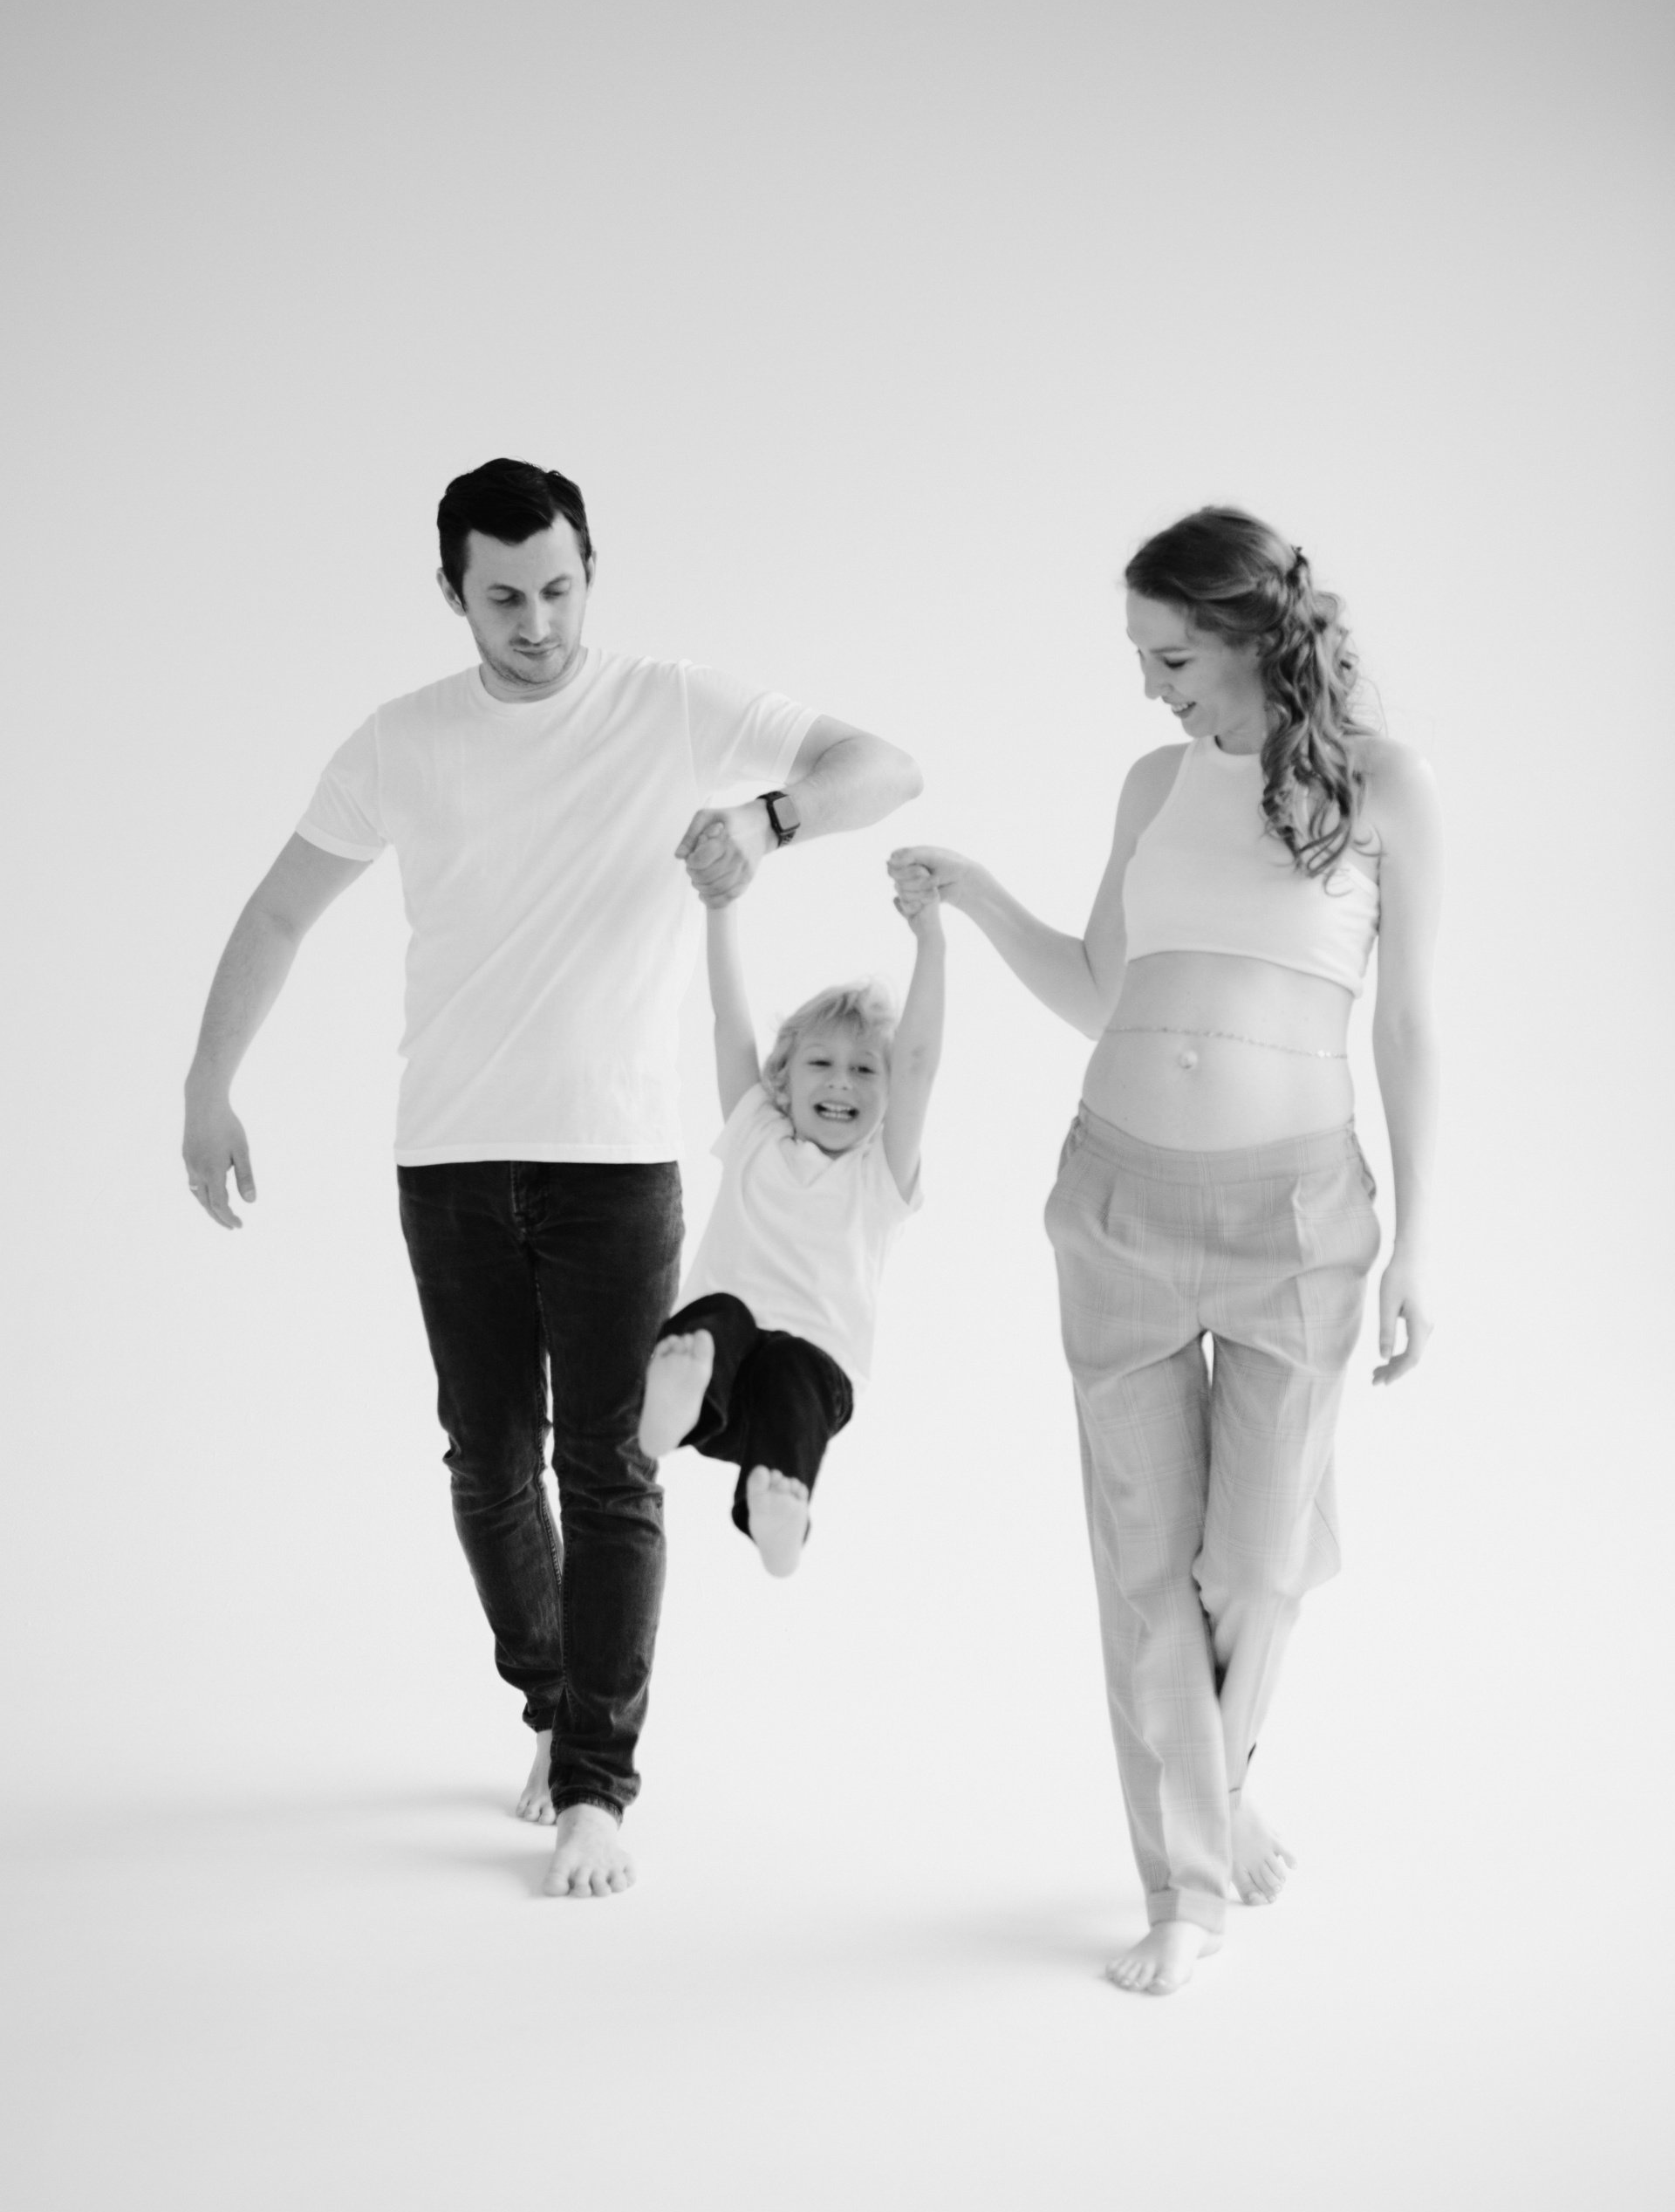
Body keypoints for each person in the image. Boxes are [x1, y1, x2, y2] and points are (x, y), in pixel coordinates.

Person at [181, 457, 920, 1900]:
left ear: (592, 574)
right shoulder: (402, 740)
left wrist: (768, 821)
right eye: (505, 598)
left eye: (561, 590)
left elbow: (884, 765)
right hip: (449, 1160)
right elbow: (277, 912)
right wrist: (209, 1085)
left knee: (612, 1467)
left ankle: (597, 1782)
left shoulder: (671, 704)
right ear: (453, 592)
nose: (537, 624)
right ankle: (551, 1701)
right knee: (486, 1465)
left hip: (616, 1166)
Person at [891, 506, 1440, 1994]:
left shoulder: (1385, 786)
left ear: (1256, 636)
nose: (1151, 688)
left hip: (1297, 1219)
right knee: (1146, 1576)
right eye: (1140, 658)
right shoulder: (1152, 784)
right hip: (1118, 1201)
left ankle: (1219, 1782)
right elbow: (1097, 986)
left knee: (1252, 1567)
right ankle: (1184, 1889)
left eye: (1173, 658)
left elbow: (1406, 1024)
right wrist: (973, 895)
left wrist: (1421, 1242)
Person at [637, 882, 945, 1575]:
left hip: (799, 1395)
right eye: (821, 1064)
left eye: (864, 1070)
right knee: (722, 1314)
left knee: (794, 1366)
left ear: (889, 1095)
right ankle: (675, 1404)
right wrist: (721, 905)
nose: (841, 1082)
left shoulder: (880, 1175)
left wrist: (931, 939)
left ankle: (778, 1506)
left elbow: (920, 1062)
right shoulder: (756, 1132)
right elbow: (729, 1022)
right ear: (782, 1078)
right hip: (720, 1371)